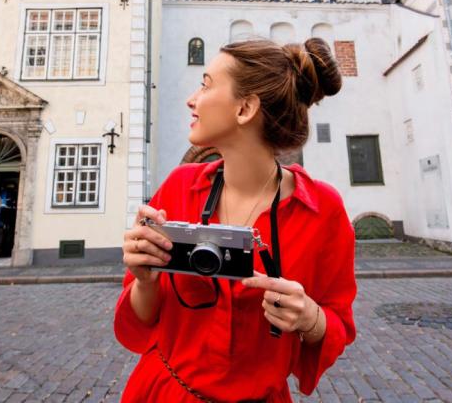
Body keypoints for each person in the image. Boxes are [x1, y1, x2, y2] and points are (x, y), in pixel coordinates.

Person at [114, 37, 357, 402]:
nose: (192, 99)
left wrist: (310, 317)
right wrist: (145, 280)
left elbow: (337, 324)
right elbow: (141, 319)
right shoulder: (180, 187)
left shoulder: (322, 210)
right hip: (165, 393)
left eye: (206, 85)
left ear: (245, 108)